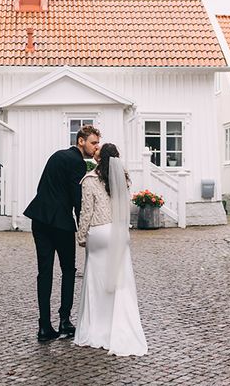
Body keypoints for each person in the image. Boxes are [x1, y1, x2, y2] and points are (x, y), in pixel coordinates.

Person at [24, 124, 101, 342]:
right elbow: (78, 200)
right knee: (68, 270)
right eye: (93, 143)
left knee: (44, 272)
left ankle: (44, 326)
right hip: (61, 224)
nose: (96, 147)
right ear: (81, 141)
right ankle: (65, 321)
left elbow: (43, 186)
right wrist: (83, 230)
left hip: (39, 219)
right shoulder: (77, 162)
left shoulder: (57, 156)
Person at [74, 143, 147, 356]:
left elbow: (86, 211)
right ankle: (120, 327)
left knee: (95, 283)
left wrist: (80, 236)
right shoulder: (122, 178)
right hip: (119, 233)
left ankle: (95, 329)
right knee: (118, 282)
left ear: (99, 159)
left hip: (99, 231)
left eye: (97, 151)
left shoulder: (90, 180)